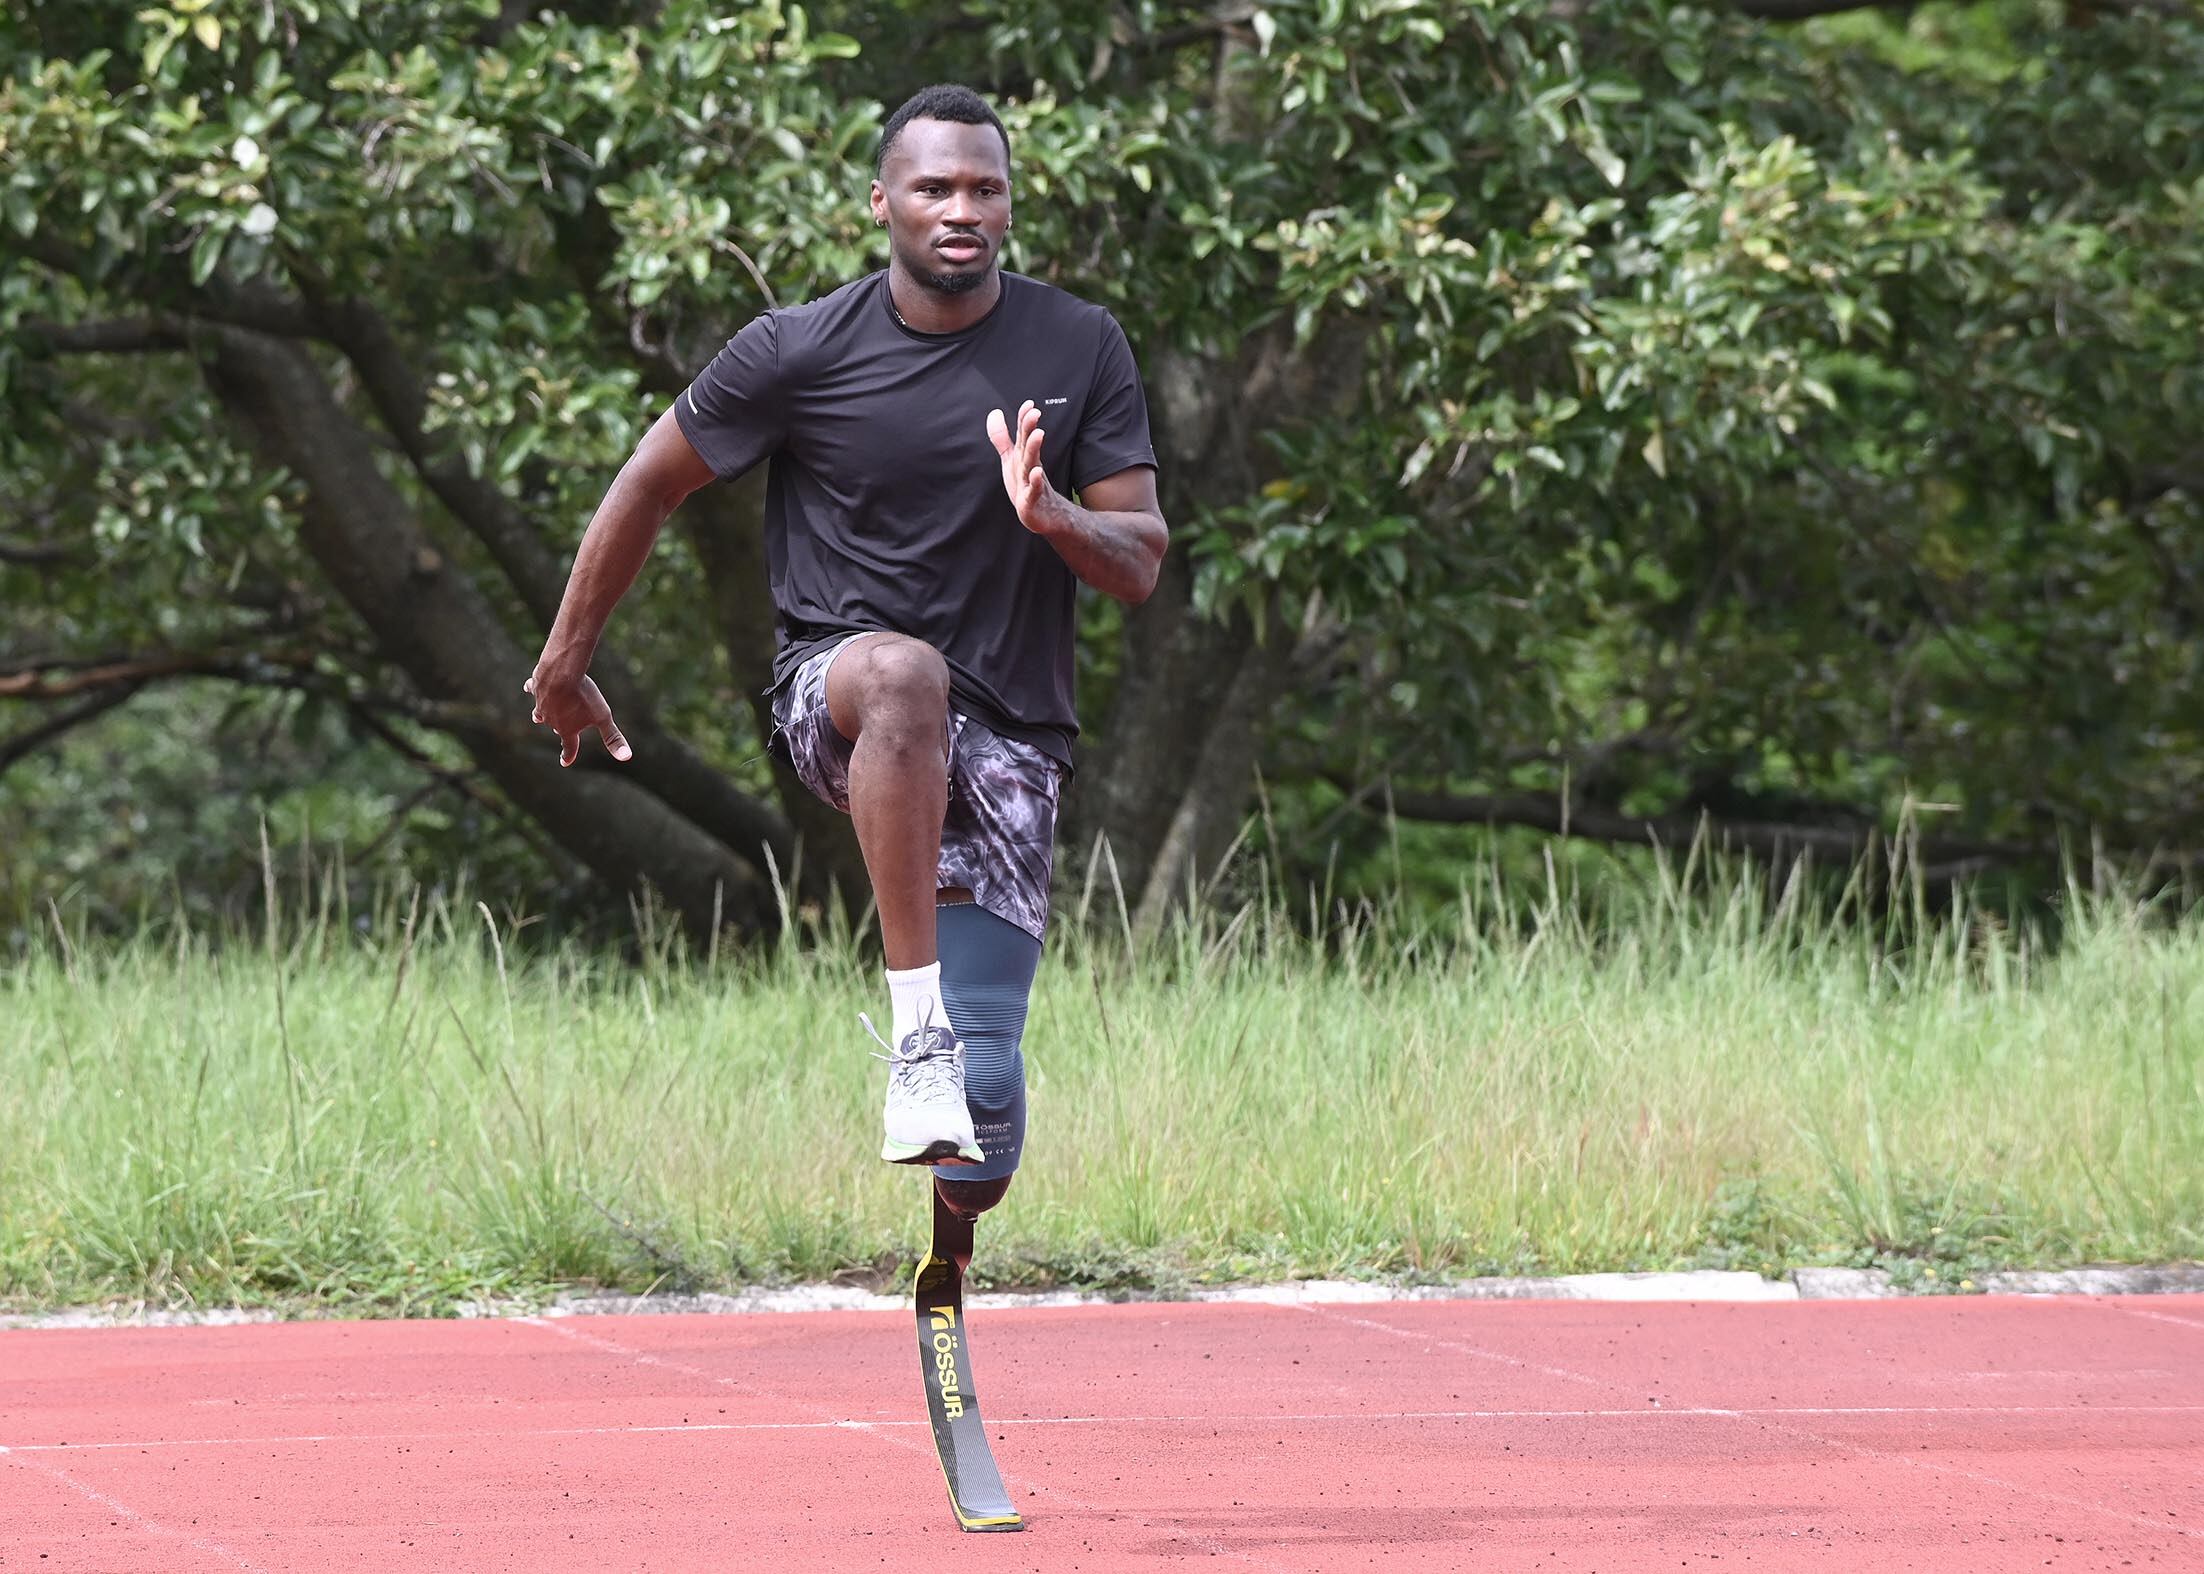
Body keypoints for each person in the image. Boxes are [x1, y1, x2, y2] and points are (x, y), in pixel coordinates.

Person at [523, 83, 1166, 1222]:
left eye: (982, 188)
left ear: (1008, 207)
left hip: (1012, 731)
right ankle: (913, 1032)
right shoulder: (796, 348)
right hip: (843, 695)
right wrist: (566, 660)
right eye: (932, 187)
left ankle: (953, 1189)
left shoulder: (1080, 344)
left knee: (987, 1126)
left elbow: (1141, 558)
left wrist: (1055, 517)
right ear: (884, 203)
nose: (958, 207)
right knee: (904, 673)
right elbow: (646, 482)